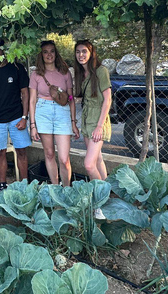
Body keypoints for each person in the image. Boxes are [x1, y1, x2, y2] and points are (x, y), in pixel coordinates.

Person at [0, 37, 31, 196]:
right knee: (0, 153)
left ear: (4, 50)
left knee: (21, 152)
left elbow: (25, 93)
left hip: (17, 118)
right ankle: (2, 186)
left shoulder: (17, 68)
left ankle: (25, 186)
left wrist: (24, 117)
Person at [29, 40, 78, 186]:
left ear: (56, 53)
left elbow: (71, 99)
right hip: (43, 111)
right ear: (41, 54)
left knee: (64, 158)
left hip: (62, 112)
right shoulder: (36, 74)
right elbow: (32, 100)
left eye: (52, 51)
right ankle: (56, 188)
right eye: (45, 51)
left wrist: (73, 122)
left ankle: (67, 188)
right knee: (49, 154)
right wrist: (33, 125)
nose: (49, 54)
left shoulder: (65, 73)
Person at [74, 40, 112, 219]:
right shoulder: (83, 74)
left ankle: (99, 201)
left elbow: (108, 99)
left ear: (91, 53)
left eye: (84, 51)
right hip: (87, 120)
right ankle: (106, 198)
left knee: (89, 165)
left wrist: (99, 126)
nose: (81, 55)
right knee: (97, 161)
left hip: (98, 121)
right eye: (78, 52)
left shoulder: (100, 71)